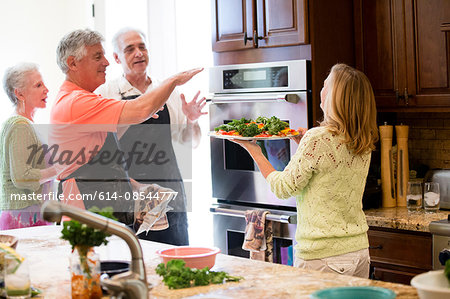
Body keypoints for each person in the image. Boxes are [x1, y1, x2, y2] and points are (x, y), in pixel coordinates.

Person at [233, 64, 378, 278]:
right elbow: (330, 172)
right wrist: (303, 145)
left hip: (322, 257)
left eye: (326, 85)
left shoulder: (317, 138)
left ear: (335, 97)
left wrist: (254, 150)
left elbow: (283, 188)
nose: (322, 90)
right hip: (358, 251)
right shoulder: (363, 141)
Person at [49, 28, 202, 227]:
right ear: (72, 63)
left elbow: (104, 160)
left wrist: (139, 188)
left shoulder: (85, 99)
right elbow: (142, 108)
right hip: (86, 208)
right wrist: (173, 81)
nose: (106, 62)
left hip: (113, 205)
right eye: (98, 57)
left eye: (142, 47)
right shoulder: (76, 102)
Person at [95, 27, 207, 245]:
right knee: (133, 259)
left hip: (169, 189)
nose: (138, 53)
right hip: (129, 192)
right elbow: (97, 149)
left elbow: (189, 142)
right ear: (117, 58)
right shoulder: (105, 94)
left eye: (142, 47)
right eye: (130, 49)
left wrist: (191, 120)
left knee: (175, 258)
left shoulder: (166, 91)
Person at [0, 63, 57, 229]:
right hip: (24, 217)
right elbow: (21, 176)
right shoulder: (20, 125)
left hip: (33, 213)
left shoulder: (26, 124)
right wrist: (59, 169)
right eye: (38, 85)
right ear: (19, 94)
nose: (46, 89)